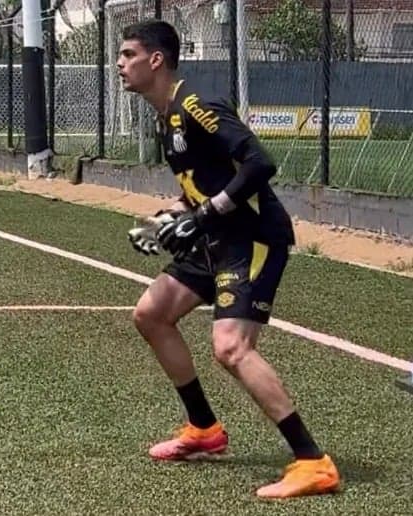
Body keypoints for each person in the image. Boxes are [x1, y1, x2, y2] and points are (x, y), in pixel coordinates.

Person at [118, 20, 340, 498]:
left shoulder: (196, 103)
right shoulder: (165, 116)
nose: (120, 64)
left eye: (128, 54)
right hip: (215, 236)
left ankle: (313, 462)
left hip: (251, 237)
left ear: (156, 60)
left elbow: (259, 164)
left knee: (231, 348)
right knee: (151, 314)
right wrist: (164, 220)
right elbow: (199, 188)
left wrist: (203, 216)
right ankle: (204, 429)